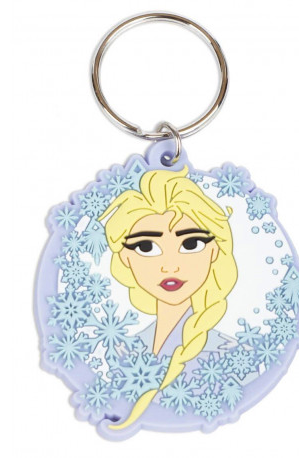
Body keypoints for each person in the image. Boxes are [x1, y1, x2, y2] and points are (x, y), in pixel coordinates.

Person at [99, 166, 238, 429]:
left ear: (215, 250)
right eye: (146, 247)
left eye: (191, 244)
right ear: (125, 257)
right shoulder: (124, 349)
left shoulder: (228, 353)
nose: (170, 266)